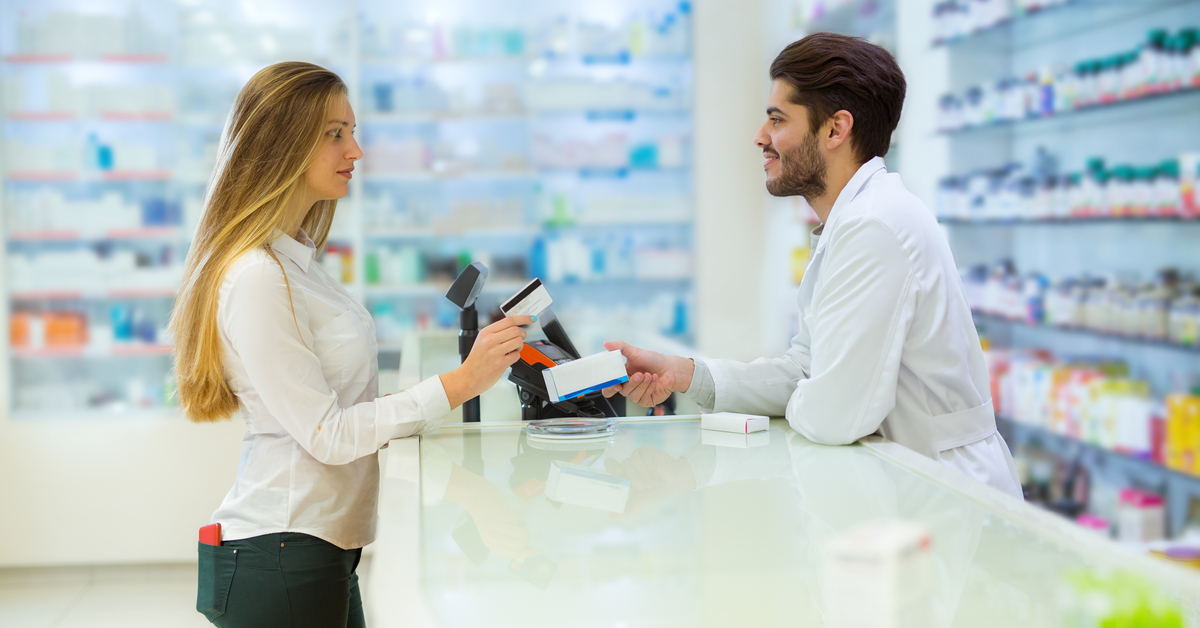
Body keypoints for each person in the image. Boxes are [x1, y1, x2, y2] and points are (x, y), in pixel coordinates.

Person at [171, 62, 533, 628]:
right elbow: (328, 434)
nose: (355, 151)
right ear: (282, 143)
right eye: (334, 134)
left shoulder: (297, 263)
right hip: (281, 551)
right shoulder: (259, 276)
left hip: (319, 548)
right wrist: (461, 383)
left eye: (352, 131)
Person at [602, 33, 1022, 499]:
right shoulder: (855, 220)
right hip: (907, 486)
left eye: (778, 119)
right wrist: (684, 373)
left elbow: (833, 415)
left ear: (835, 130)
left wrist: (812, 393)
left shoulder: (875, 225)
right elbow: (809, 371)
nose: (761, 137)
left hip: (947, 492)